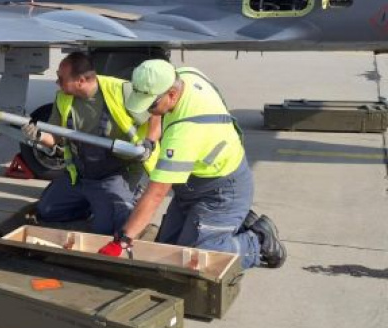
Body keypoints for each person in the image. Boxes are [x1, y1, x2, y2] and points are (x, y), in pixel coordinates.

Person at [98, 60, 286, 269]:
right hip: (192, 183)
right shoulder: (186, 75)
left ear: (171, 94)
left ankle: (257, 242)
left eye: (151, 105)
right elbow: (159, 109)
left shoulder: (185, 132)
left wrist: (122, 240)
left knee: (199, 258)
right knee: (166, 252)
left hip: (222, 191)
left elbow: (157, 193)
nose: (149, 111)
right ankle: (230, 221)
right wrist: (151, 139)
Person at [21, 52, 158, 235]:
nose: (57, 83)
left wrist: (149, 143)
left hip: (114, 175)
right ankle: (93, 203)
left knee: (111, 228)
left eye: (61, 79)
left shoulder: (120, 91)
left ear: (81, 81)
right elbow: (55, 138)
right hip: (80, 175)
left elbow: (156, 115)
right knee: (47, 211)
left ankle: (126, 197)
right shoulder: (63, 98)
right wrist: (38, 136)